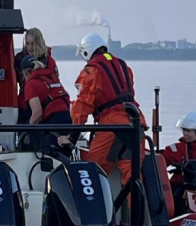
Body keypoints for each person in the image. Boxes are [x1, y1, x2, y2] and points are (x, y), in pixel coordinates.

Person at [57, 32, 146, 187]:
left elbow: (82, 106)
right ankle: (138, 210)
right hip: (136, 123)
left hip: (112, 125)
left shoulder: (91, 71)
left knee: (91, 172)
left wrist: (71, 137)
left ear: (86, 51)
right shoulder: (123, 66)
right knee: (133, 179)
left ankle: (93, 208)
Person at [14, 28, 58, 124]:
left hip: (44, 103)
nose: (30, 47)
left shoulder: (49, 62)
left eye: (32, 43)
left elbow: (55, 82)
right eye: (28, 43)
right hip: (24, 103)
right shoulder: (19, 59)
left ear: (39, 43)